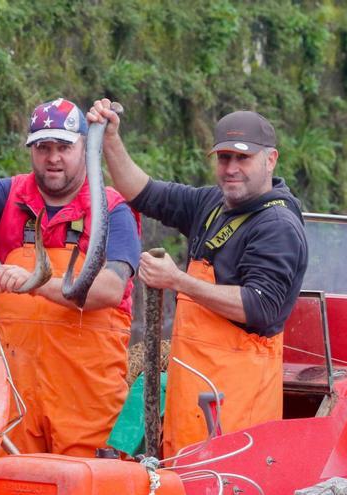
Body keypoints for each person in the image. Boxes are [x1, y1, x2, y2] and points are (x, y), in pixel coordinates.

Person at [88, 99, 308, 456]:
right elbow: (142, 192)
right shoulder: (212, 204)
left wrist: (178, 281)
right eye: (224, 159)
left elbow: (262, 307)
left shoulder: (277, 226)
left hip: (237, 408)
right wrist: (111, 137)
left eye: (243, 158)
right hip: (193, 392)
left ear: (271, 160)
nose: (231, 169)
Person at [0, 98, 142, 457]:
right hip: (13, 396)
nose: (53, 157)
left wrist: (37, 282)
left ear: (84, 147)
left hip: (87, 401)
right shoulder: (8, 195)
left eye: (64, 147)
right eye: (43, 147)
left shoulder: (113, 209)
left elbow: (111, 289)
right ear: (31, 149)